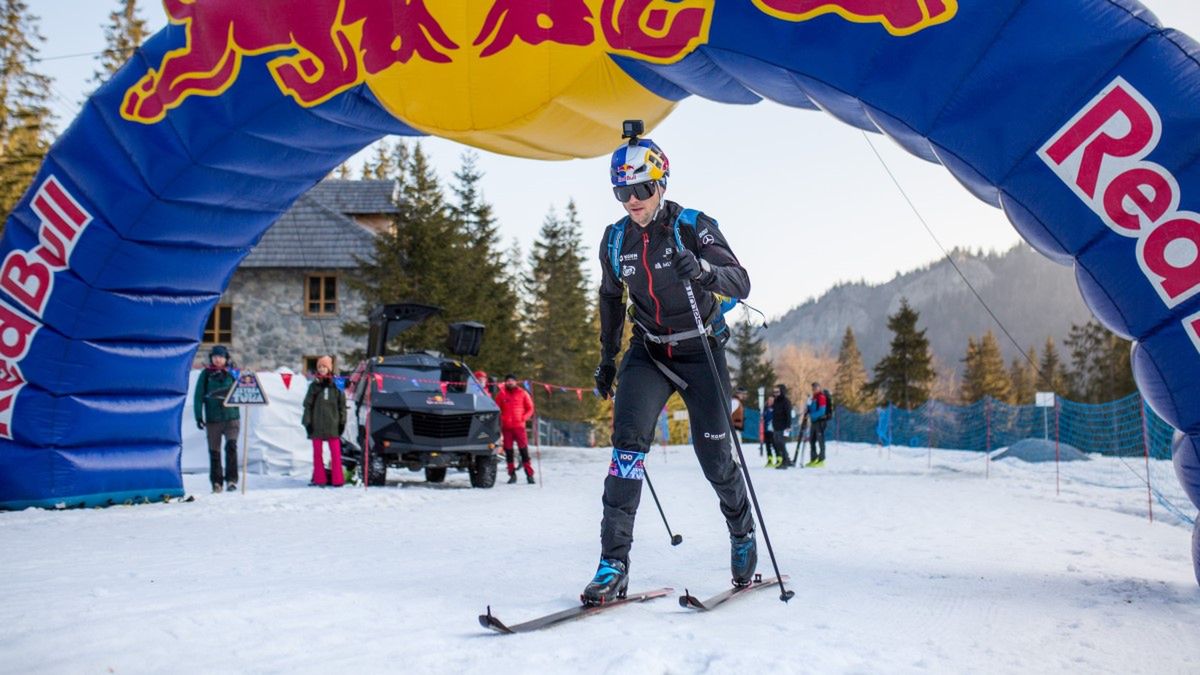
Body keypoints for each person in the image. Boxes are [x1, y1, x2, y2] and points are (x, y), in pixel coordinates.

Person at [587, 130, 756, 604]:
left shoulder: (691, 225)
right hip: (651, 352)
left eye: (641, 189)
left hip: (701, 351)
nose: (632, 201)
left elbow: (740, 281)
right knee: (626, 450)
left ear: (661, 184)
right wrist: (607, 356)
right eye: (622, 192)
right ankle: (612, 564)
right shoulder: (615, 238)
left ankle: (742, 532)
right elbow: (610, 297)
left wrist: (703, 272)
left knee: (716, 460)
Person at [193, 345, 240, 493]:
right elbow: (198, 396)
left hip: (231, 417)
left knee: (231, 448)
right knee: (215, 451)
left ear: (226, 358)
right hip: (213, 419)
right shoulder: (206, 374)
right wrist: (199, 416)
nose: (217, 359)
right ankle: (216, 482)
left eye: (220, 357)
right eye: (215, 357)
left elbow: (243, 390)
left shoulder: (233, 373)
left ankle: (232, 480)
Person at [303, 355, 347, 487]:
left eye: (324, 366)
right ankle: (319, 479)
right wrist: (307, 423)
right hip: (317, 425)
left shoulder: (337, 386)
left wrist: (342, 423)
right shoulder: (313, 386)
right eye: (319, 367)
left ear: (329, 368)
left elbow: (342, 407)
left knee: (335, 454)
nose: (322, 369)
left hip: (333, 425)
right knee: (317, 454)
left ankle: (338, 480)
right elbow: (307, 406)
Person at [493, 374, 536, 484]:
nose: (510, 382)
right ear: (505, 382)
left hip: (519, 427)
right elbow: (496, 409)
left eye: (512, 380)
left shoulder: (523, 393)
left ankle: (529, 475)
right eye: (508, 381)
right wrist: (501, 419)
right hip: (506, 428)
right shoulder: (501, 394)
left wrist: (524, 418)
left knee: (524, 451)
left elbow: (530, 408)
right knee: (508, 452)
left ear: (516, 382)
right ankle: (512, 475)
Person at [806, 382, 830, 466]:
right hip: (814, 422)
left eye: (815, 388)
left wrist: (811, 416)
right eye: (813, 389)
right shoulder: (813, 398)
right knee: (812, 441)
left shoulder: (821, 397)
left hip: (820, 421)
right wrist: (808, 404)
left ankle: (821, 460)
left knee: (820, 441)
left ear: (819, 388)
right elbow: (810, 409)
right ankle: (813, 459)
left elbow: (822, 411)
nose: (814, 390)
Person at [772, 384, 794, 469]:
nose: (775, 394)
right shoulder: (776, 401)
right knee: (777, 443)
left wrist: (788, 426)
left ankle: (785, 462)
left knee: (781, 443)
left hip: (783, 426)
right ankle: (787, 459)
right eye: (774, 392)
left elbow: (788, 414)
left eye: (777, 392)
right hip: (776, 426)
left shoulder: (786, 401)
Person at [762, 394, 776, 467]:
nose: (770, 401)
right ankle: (770, 460)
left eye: (771, 400)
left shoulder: (775, 408)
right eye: (769, 400)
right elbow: (764, 417)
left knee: (774, 444)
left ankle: (778, 459)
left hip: (773, 430)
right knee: (767, 445)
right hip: (766, 430)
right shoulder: (765, 408)